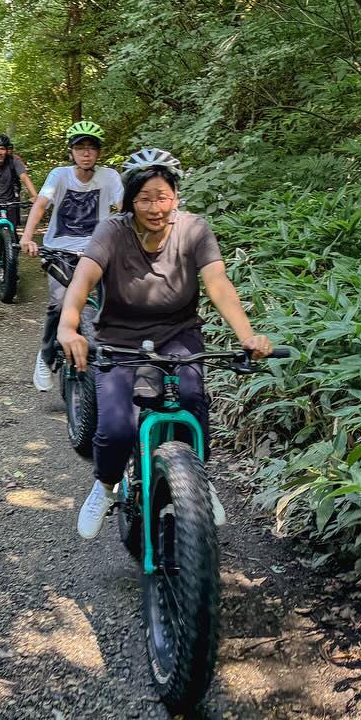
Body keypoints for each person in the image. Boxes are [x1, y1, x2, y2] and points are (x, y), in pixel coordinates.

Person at [55, 148, 274, 538]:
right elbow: (83, 281)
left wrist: (246, 335)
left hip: (179, 335)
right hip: (118, 340)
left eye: (164, 197)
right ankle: (105, 486)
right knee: (117, 428)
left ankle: (198, 483)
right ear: (129, 200)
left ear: (176, 196)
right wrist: (69, 328)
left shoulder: (194, 230)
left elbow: (218, 283)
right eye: (145, 199)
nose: (155, 207)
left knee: (191, 402)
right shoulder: (113, 232)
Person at [19, 120, 123, 392]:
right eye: (80, 148)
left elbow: (124, 209)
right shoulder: (59, 175)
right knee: (59, 301)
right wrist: (27, 237)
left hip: (98, 251)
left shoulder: (109, 177)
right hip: (59, 250)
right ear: (71, 152)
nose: (86, 153)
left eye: (91, 148)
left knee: (113, 303)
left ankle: (111, 360)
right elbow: (41, 204)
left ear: (98, 153)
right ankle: (45, 356)